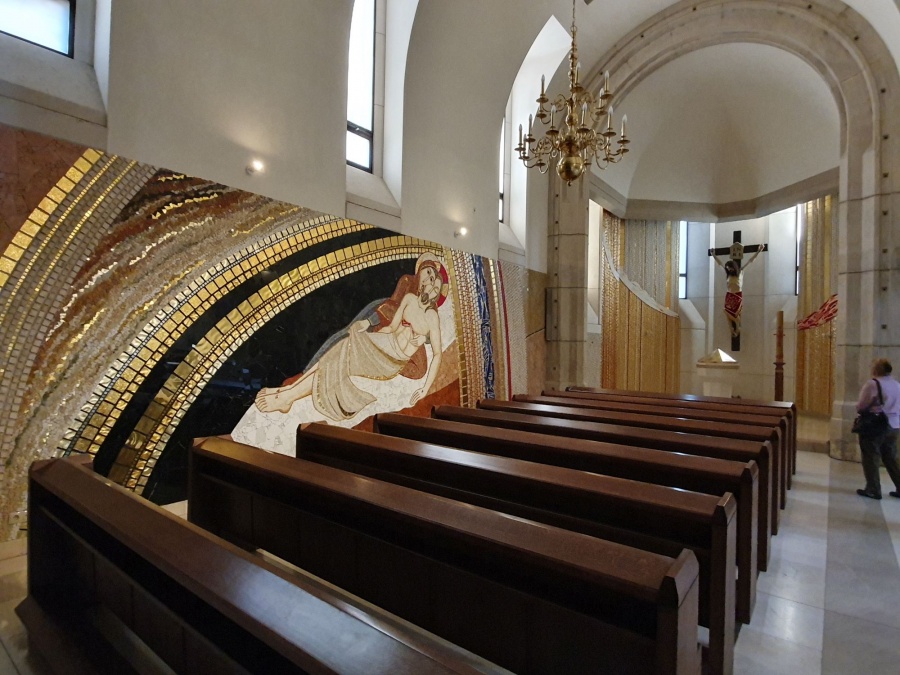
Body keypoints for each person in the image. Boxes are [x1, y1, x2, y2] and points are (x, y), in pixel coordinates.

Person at [254, 253, 448, 421]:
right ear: (420, 275)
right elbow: (391, 325)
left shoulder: (432, 317)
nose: (431, 283)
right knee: (342, 345)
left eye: (435, 284)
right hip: (383, 342)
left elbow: (437, 354)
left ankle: (287, 395)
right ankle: (288, 393)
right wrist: (368, 330)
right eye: (428, 274)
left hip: (391, 360)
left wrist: (424, 389)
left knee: (340, 357)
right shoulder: (409, 297)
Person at [855, 358, 900, 499]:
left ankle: (873, 489)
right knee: (891, 458)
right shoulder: (897, 385)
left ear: (876, 370)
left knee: (871, 456)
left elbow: (861, 406)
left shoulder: (873, 384)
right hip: (894, 424)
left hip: (875, 425)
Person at [709, 243, 766, 338]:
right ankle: (731, 328)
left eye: (730, 267)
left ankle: (737, 326)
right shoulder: (727, 275)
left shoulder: (741, 272)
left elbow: (750, 261)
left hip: (737, 295)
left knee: (735, 314)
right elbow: (720, 264)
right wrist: (714, 255)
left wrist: (759, 251)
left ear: (733, 267)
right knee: (726, 312)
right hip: (729, 295)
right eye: (727, 268)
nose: (728, 269)